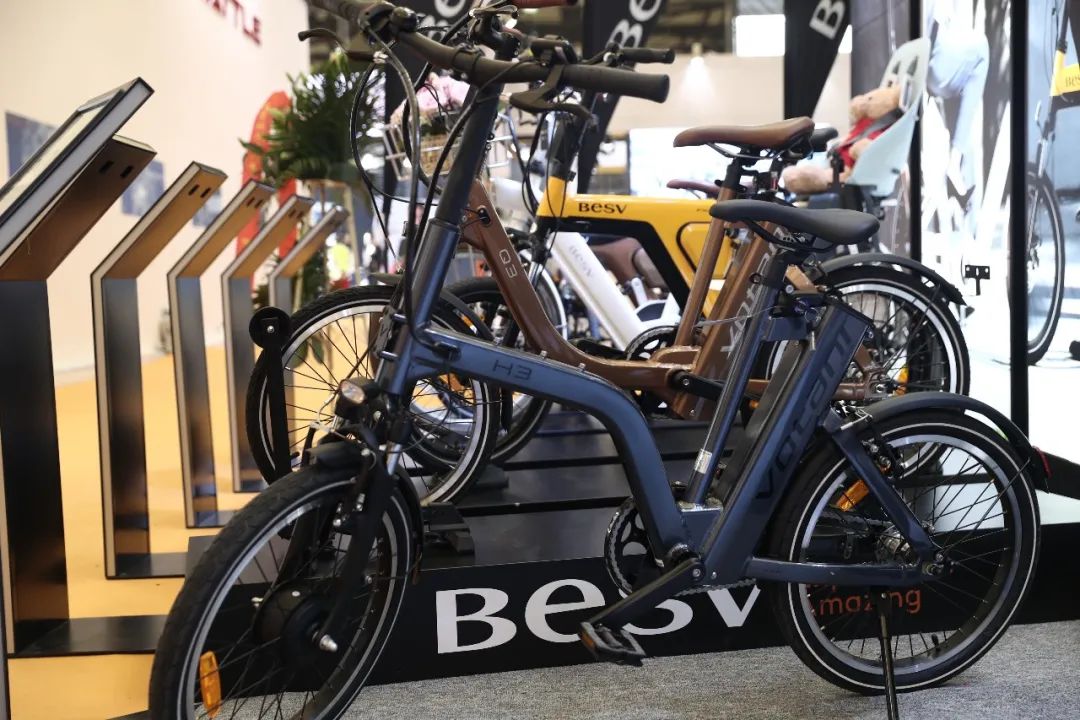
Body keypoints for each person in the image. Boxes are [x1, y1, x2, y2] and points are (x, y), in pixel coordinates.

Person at [925, 0, 989, 231]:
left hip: (931, 64)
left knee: (964, 75)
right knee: (981, 49)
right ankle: (955, 157)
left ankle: (954, 162)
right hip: (931, 60)